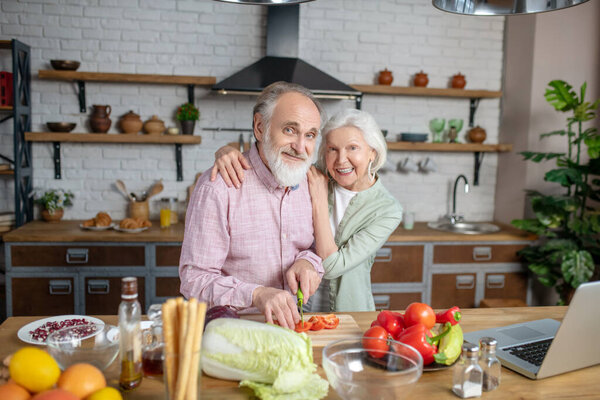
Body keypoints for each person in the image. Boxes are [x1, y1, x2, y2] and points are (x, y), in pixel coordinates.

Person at [211, 108, 402, 311]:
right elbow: (269, 165)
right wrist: (224, 152)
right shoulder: (310, 173)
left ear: (373, 151)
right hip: (294, 304)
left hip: (349, 311)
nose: (341, 160)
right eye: (332, 149)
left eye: (352, 148)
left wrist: (319, 199)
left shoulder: (387, 210)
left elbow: (331, 266)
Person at [179, 81, 325, 329]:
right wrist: (255, 294)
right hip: (233, 330)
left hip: (290, 328)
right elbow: (194, 280)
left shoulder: (309, 182)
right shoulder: (218, 187)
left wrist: (307, 262)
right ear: (260, 127)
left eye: (310, 135)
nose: (301, 147)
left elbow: (311, 247)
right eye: (290, 130)